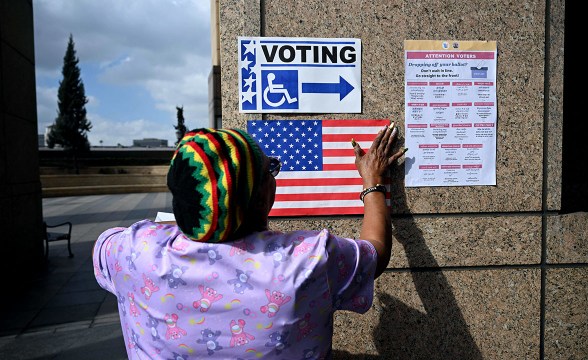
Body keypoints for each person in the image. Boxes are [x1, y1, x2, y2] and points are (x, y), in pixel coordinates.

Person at [93, 124, 405, 359]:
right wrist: (373, 181)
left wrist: (198, 219)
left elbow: (104, 245)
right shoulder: (307, 260)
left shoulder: (134, 251)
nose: (275, 175)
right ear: (262, 198)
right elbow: (375, 251)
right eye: (270, 169)